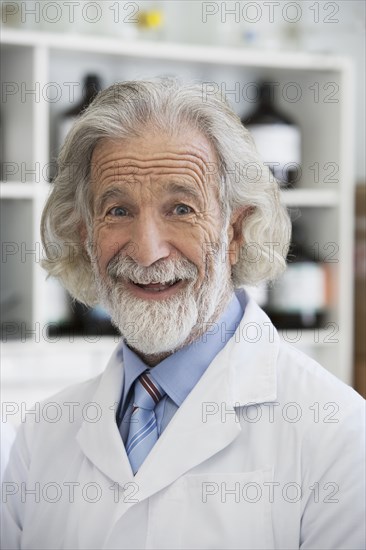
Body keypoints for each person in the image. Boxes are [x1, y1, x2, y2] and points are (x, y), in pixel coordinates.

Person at [1, 79, 365, 550]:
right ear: (85, 235)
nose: (148, 252)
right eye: (117, 211)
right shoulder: (44, 434)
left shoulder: (340, 434)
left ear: (235, 231)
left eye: (180, 208)